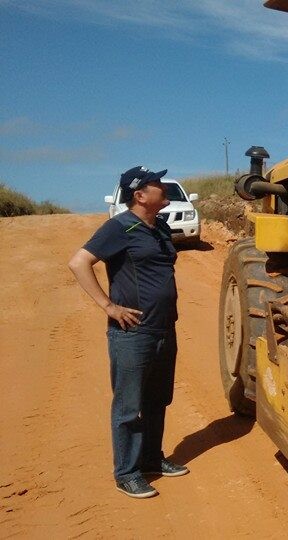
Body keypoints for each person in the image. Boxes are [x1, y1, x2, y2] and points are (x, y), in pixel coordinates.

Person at [67, 165, 189, 499]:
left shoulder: (160, 228)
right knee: (129, 406)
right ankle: (127, 473)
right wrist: (108, 306)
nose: (163, 187)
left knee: (157, 399)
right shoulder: (119, 227)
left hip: (165, 328)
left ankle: (150, 458)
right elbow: (78, 262)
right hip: (133, 333)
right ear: (139, 195)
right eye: (157, 184)